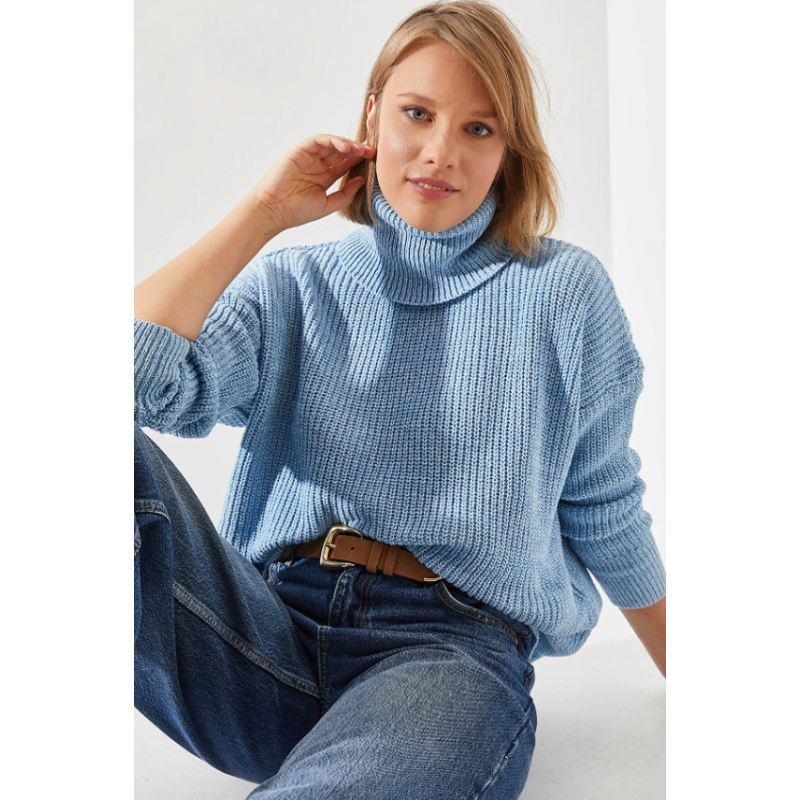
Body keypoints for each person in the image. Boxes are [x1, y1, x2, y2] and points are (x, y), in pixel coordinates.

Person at [134, 1, 666, 797]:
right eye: (418, 114)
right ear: (373, 116)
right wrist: (262, 215)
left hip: (446, 650)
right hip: (263, 639)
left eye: (479, 129)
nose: (440, 152)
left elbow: (603, 502)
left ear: (508, 151)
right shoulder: (297, 286)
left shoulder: (564, 294)